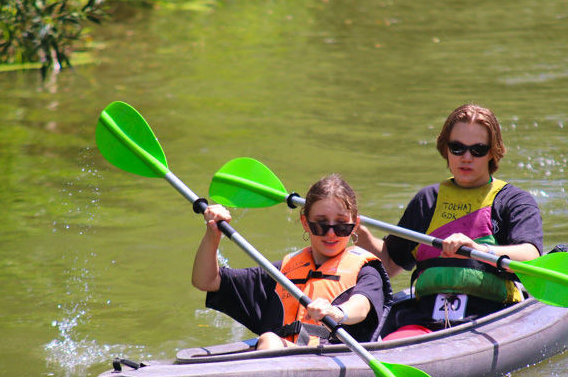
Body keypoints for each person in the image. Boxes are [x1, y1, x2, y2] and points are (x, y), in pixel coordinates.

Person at [356, 104, 543, 338]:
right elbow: (391, 264)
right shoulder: (427, 201)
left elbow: (532, 257)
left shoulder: (513, 201)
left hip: (493, 318)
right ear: (446, 149)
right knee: (393, 341)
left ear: (493, 152)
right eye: (457, 148)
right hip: (425, 318)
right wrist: (359, 235)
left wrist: (479, 249)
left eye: (478, 150)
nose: (466, 157)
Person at [192, 174, 393, 350]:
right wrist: (212, 234)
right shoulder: (283, 272)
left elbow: (362, 305)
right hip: (289, 358)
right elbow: (206, 281)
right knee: (270, 339)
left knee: (269, 340)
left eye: (341, 225)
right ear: (306, 223)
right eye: (321, 224)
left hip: (337, 359)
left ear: (354, 224)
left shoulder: (366, 269)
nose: (331, 233)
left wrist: (338, 312)